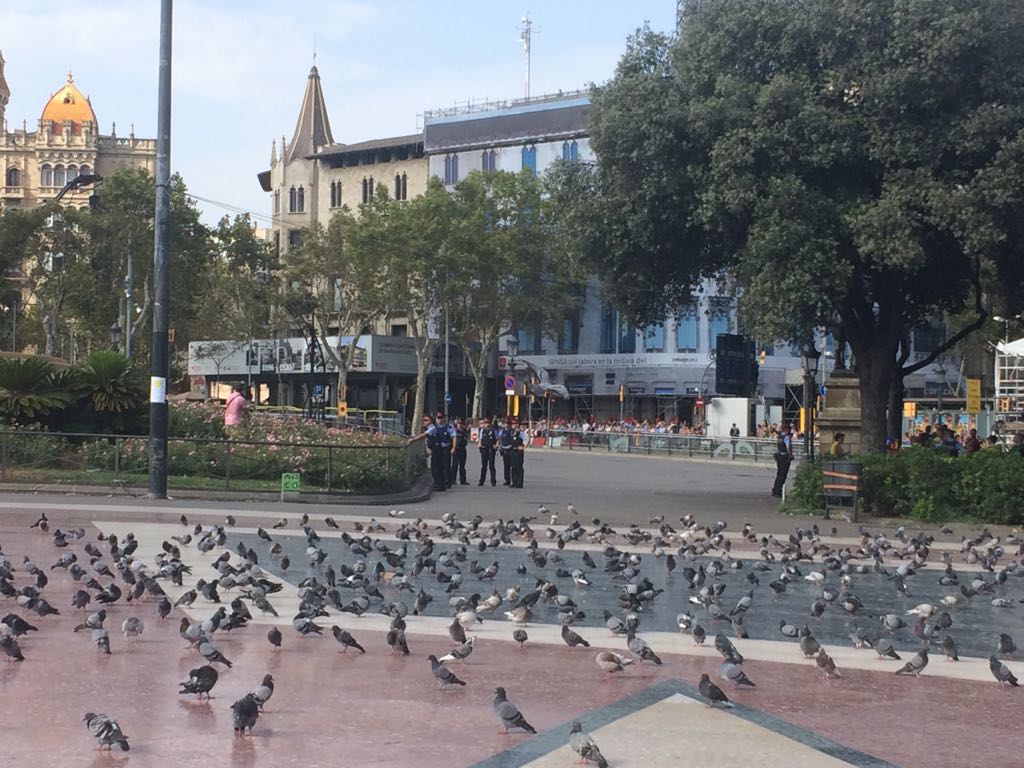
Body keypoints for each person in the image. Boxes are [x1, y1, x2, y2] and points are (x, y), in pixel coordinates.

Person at [771, 423, 793, 498]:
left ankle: (775, 490)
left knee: (779, 473)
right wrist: (790, 455)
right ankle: (778, 491)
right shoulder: (787, 437)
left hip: (779, 456)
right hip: (784, 457)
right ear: (787, 430)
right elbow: (788, 447)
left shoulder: (780, 437)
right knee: (783, 475)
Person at [477, 416, 499, 486]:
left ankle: (493, 481)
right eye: (485, 423)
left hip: (491, 449)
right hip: (484, 449)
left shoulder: (493, 430)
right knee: (484, 466)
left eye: (487, 423)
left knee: (491, 466)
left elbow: (498, 438)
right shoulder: (482, 430)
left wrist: (497, 445)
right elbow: (480, 438)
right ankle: (481, 481)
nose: (486, 424)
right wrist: (479, 444)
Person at [450, 416, 470, 486]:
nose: (461, 425)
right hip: (456, 449)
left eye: (462, 423)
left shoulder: (464, 431)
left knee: (462, 465)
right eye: (459, 423)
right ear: (457, 424)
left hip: (463, 449)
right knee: (454, 465)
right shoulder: (454, 431)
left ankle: (463, 480)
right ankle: (452, 480)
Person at [509, 417, 528, 488]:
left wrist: (523, 447)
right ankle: (514, 482)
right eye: (513, 424)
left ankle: (519, 483)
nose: (513, 425)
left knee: (518, 467)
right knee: (513, 467)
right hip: (512, 451)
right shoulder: (512, 432)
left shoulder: (521, 433)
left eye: (515, 423)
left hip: (518, 451)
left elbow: (526, 440)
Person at [498, 417, 515, 486]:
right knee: (506, 466)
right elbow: (499, 439)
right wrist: (499, 446)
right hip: (504, 450)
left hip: (510, 450)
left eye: (508, 423)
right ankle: (507, 480)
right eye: (505, 423)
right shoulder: (502, 431)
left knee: (513, 466)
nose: (507, 424)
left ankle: (513, 480)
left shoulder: (512, 431)